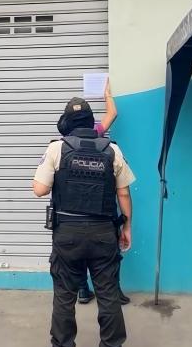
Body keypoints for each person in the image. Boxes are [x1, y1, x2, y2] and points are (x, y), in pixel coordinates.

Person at [34, 97, 135, 347]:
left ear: (66, 124)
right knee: (108, 294)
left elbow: (39, 189)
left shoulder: (57, 149)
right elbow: (123, 193)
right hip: (104, 234)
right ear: (91, 122)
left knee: (64, 296)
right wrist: (127, 227)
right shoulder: (112, 150)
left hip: (67, 234)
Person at [77, 81, 131, 306]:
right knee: (109, 252)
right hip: (101, 208)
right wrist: (107, 93)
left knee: (77, 251)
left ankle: (82, 290)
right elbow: (113, 113)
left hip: (73, 210)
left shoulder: (62, 145)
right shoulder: (96, 135)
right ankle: (114, 291)